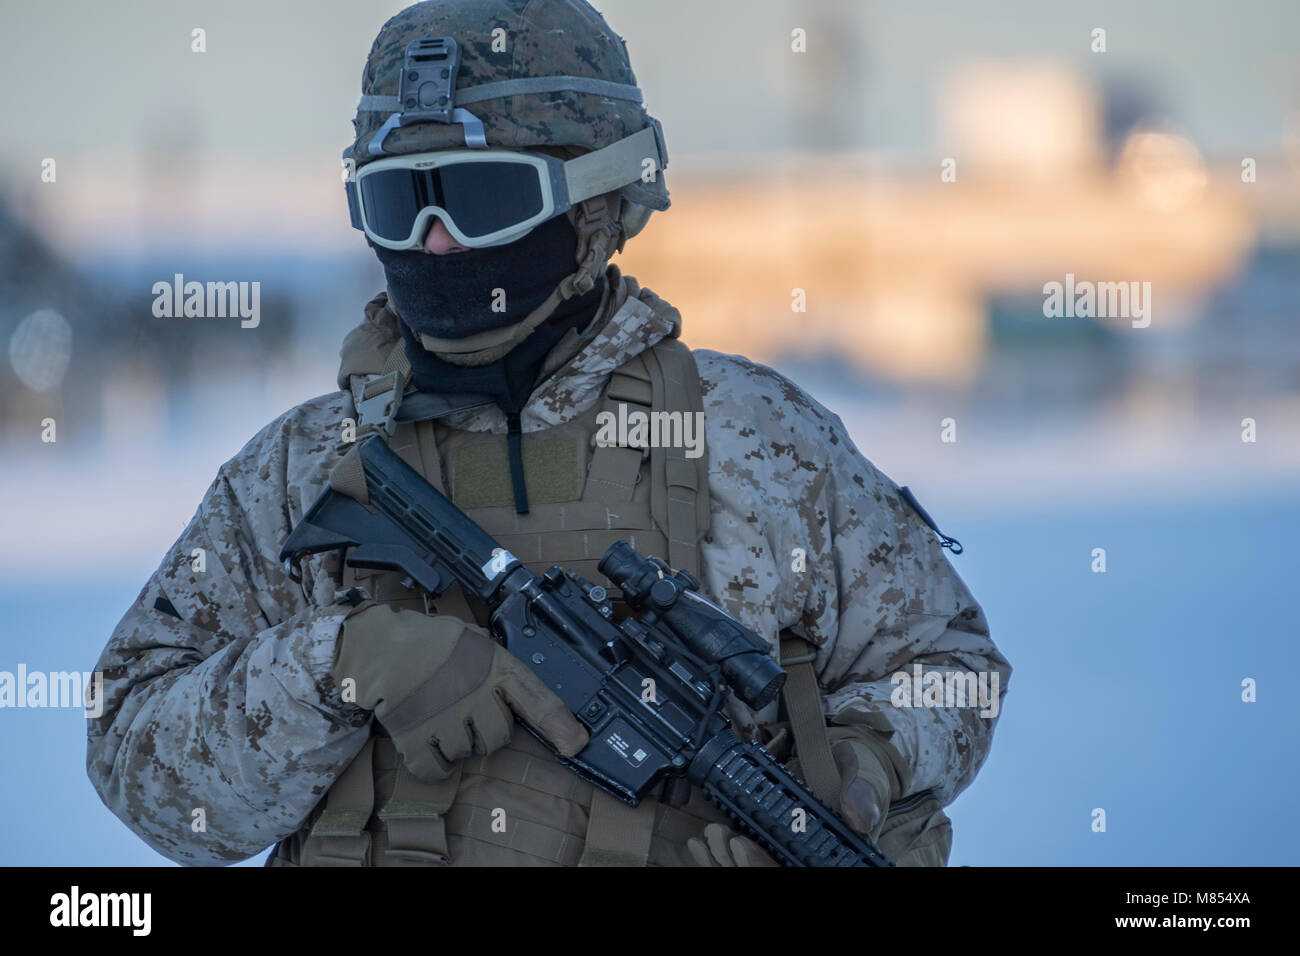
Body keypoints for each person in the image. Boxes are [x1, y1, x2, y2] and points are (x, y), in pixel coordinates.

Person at [87, 0, 1011, 867]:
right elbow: (136, 760)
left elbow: (949, 667)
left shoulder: (756, 438)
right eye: (400, 202)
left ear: (599, 203)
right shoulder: (296, 471)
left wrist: (860, 767)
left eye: (478, 199)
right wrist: (338, 665)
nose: (437, 243)